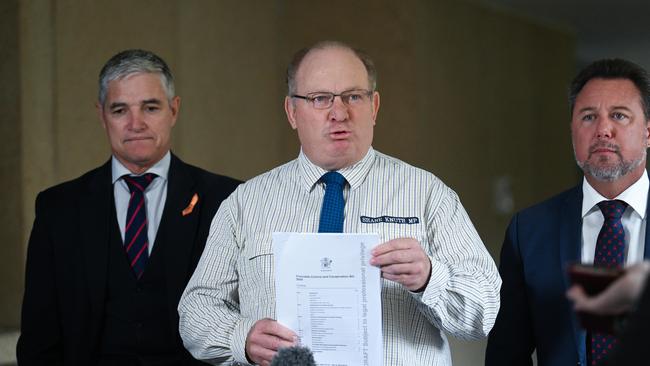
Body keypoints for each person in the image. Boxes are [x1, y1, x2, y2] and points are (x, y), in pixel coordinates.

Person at [178, 41, 501, 366]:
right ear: (292, 112)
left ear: (373, 107)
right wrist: (241, 337)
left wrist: (431, 277)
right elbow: (196, 310)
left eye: (353, 97)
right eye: (320, 99)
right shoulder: (245, 204)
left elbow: (485, 309)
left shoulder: (428, 194)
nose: (339, 113)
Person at [16, 49, 241, 366]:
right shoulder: (59, 209)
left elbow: (245, 321)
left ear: (174, 110)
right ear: (101, 115)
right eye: (120, 110)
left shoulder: (228, 198)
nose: (136, 124)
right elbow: (40, 337)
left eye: (150, 107)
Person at [485, 58, 650, 366]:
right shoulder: (529, 231)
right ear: (573, 131)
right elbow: (506, 354)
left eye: (619, 115)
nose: (603, 130)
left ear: (648, 132)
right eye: (588, 117)